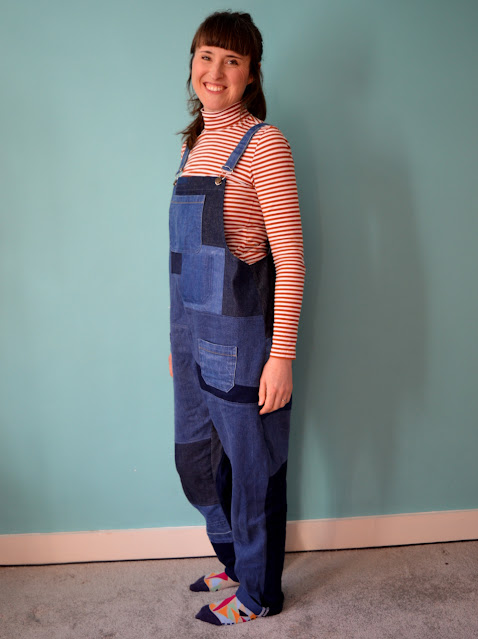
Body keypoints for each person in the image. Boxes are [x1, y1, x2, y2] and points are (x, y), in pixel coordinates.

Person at [168, 10, 305, 625]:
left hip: (244, 339)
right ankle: (233, 561)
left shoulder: (264, 144)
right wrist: (177, 338)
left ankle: (259, 594)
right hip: (192, 335)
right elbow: (183, 260)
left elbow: (291, 260)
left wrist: (282, 356)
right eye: (206, 56)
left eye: (232, 60)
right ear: (192, 63)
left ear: (252, 74)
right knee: (197, 460)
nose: (215, 71)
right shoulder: (193, 146)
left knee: (254, 470)